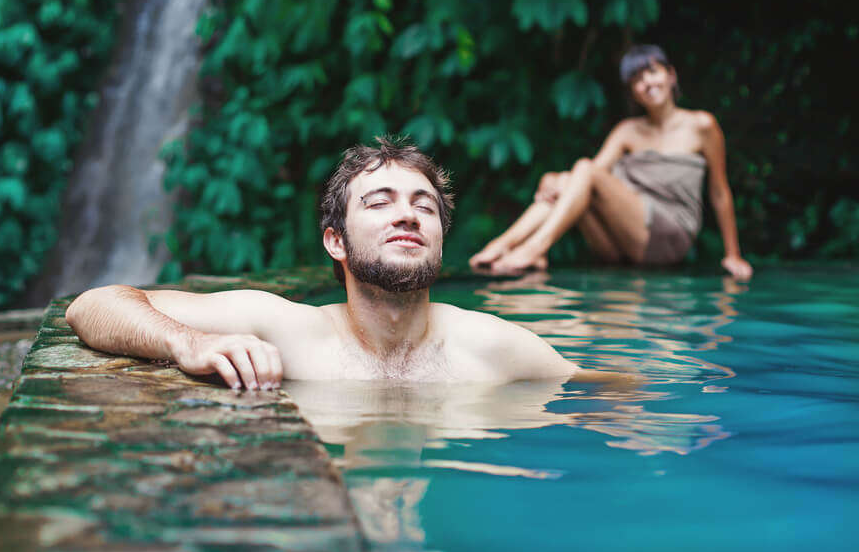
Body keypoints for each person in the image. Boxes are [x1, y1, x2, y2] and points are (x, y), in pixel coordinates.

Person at [67, 137, 623, 390]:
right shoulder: (284, 329)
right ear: (335, 242)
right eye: (379, 203)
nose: (407, 215)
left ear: (439, 238)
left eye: (423, 205)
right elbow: (93, 305)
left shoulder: (497, 347)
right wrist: (188, 344)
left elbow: (616, 393)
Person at [469, 45, 753, 281]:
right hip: (621, 245)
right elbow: (587, 179)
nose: (647, 83)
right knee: (570, 180)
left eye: (652, 72)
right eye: (638, 79)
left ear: (670, 75)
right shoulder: (628, 130)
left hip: (669, 237)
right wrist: (554, 179)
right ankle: (504, 245)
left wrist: (733, 254)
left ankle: (533, 247)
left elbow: (719, 191)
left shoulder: (701, 125)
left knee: (581, 171)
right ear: (633, 91)